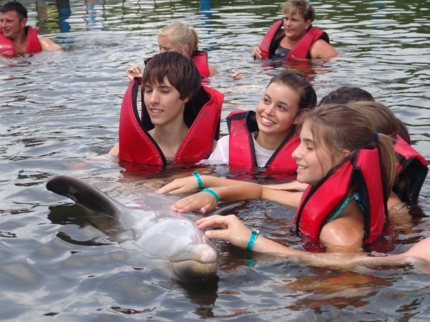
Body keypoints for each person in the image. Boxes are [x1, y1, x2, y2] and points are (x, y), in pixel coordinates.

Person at [160, 104, 398, 253]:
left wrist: (251, 241)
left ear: (342, 158)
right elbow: (262, 191)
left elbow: (346, 286)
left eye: (309, 147)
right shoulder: (343, 202)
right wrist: (212, 189)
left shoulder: (337, 232)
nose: (296, 153)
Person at [109, 51, 224, 167]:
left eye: (164, 91)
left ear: (186, 96)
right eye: (148, 90)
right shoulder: (123, 149)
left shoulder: (215, 153)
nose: (153, 99)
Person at [206, 72, 316, 176]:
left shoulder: (307, 156)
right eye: (266, 101)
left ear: (299, 117)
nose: (268, 111)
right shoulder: (226, 147)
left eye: (281, 107)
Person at [126, 22, 243, 80]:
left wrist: (235, 81)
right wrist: (137, 80)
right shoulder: (156, 71)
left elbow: (222, 90)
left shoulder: (208, 70)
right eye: (160, 48)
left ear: (185, 50)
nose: (161, 53)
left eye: (166, 49)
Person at [251, 0, 338, 60]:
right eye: (286, 18)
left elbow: (334, 67)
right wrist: (255, 51)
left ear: (307, 23)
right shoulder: (276, 37)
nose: (288, 24)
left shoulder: (317, 46)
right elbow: (258, 51)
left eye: (294, 20)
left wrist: (310, 64)